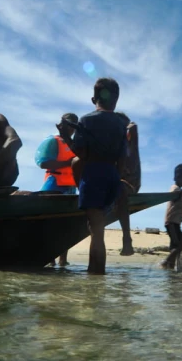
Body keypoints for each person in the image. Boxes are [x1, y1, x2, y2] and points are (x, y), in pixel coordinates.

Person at [70, 77, 128, 275]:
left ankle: (96, 278)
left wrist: (66, 137)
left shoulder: (86, 120)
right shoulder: (121, 124)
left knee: (96, 231)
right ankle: (94, 274)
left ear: (94, 98)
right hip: (112, 174)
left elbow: (81, 154)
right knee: (97, 226)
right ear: (116, 99)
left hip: (93, 173)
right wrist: (116, 179)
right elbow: (122, 157)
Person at [36, 113, 78, 267]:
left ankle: (63, 260)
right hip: (54, 185)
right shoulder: (53, 141)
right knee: (50, 224)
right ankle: (49, 259)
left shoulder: (75, 144)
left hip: (71, 188)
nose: (71, 129)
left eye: (74, 126)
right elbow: (43, 163)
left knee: (66, 225)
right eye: (69, 125)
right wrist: (67, 163)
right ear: (62, 124)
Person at [115, 112, 140, 256]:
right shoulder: (113, 142)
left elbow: (133, 126)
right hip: (112, 181)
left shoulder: (129, 141)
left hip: (129, 184)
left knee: (120, 188)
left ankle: (127, 238)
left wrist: (125, 126)